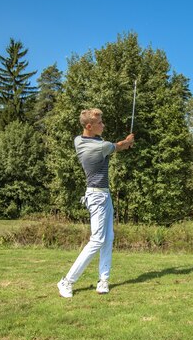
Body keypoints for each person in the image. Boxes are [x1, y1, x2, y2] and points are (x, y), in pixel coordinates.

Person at [58, 108, 135, 298]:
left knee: (108, 238)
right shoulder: (102, 146)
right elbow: (120, 145)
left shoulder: (80, 140)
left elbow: (112, 144)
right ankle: (67, 281)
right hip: (96, 196)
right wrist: (128, 141)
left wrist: (124, 143)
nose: (103, 125)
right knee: (98, 240)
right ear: (90, 126)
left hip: (104, 195)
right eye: (100, 123)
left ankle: (103, 281)